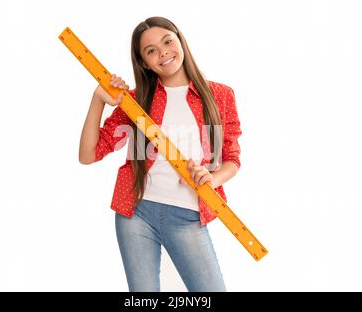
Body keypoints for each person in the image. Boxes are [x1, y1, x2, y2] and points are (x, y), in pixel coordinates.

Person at [79, 16, 242, 292]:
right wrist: (98, 99)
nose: (163, 52)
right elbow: (88, 154)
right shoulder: (136, 99)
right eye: (151, 50)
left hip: (189, 216)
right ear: (143, 62)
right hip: (136, 214)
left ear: (180, 40)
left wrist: (212, 179)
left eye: (167, 41)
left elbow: (232, 159)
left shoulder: (220, 95)